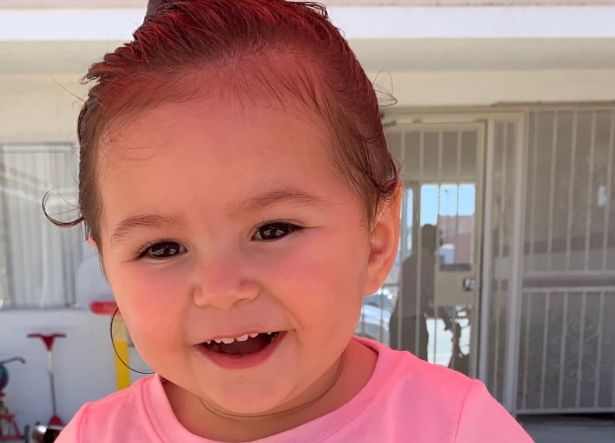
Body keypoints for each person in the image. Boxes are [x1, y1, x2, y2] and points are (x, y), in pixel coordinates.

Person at [54, 1, 533, 441]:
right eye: (160, 248)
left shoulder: (455, 427)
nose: (222, 289)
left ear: (376, 242)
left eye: (273, 229)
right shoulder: (94, 435)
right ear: (110, 271)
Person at [389, 224, 453, 361]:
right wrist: (446, 319)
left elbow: (409, 294)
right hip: (413, 323)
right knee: (418, 366)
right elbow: (432, 297)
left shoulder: (409, 261)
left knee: (397, 366)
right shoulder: (429, 263)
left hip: (396, 321)